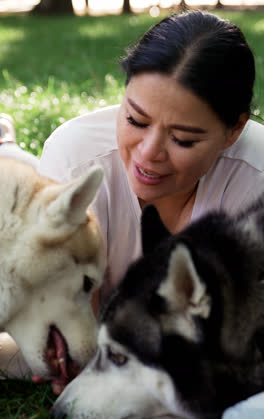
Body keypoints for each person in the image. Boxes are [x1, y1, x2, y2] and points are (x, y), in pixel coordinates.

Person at [1, 10, 264, 306]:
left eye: (183, 139)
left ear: (234, 130)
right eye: (136, 120)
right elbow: (69, 329)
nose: (149, 152)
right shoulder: (77, 159)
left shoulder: (256, 177)